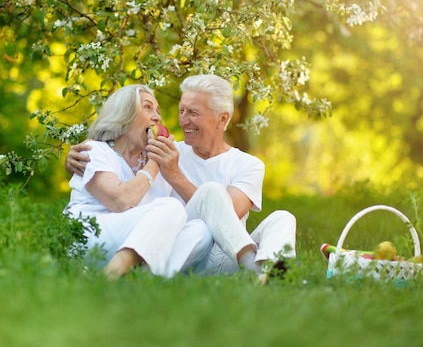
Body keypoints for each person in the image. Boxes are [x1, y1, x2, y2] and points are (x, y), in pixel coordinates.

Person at [66, 75, 296, 281]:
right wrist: (72, 158)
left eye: (193, 113)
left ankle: (269, 275)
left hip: (227, 256)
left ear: (222, 118)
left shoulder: (249, 165)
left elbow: (229, 213)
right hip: (189, 252)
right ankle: (144, 277)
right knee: (200, 210)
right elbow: (120, 160)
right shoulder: (166, 151)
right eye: (181, 111)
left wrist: (173, 173)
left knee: (283, 217)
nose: (183, 120)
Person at [63, 84, 212, 279]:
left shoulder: (161, 165)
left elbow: (181, 217)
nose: (157, 117)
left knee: (201, 231)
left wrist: (167, 168)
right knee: (171, 206)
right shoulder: (95, 150)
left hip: (132, 241)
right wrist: (154, 164)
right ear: (124, 114)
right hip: (88, 235)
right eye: (148, 107)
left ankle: (138, 277)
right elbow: (120, 201)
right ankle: (111, 276)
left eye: (158, 111)